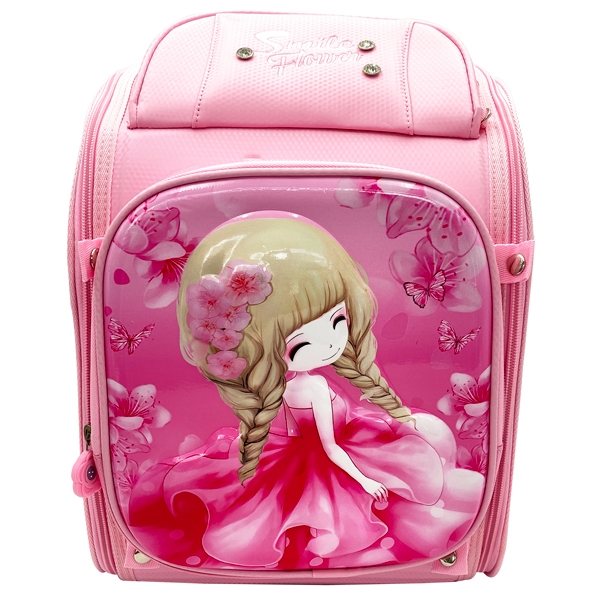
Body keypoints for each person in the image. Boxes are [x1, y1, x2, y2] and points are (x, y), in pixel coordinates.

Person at [128, 213, 484, 570]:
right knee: (382, 495)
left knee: (270, 514)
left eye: (338, 321)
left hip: (294, 457)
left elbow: (294, 432)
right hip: (332, 459)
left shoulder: (281, 388)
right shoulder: (314, 386)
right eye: (302, 341)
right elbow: (330, 447)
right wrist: (364, 479)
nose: (331, 342)